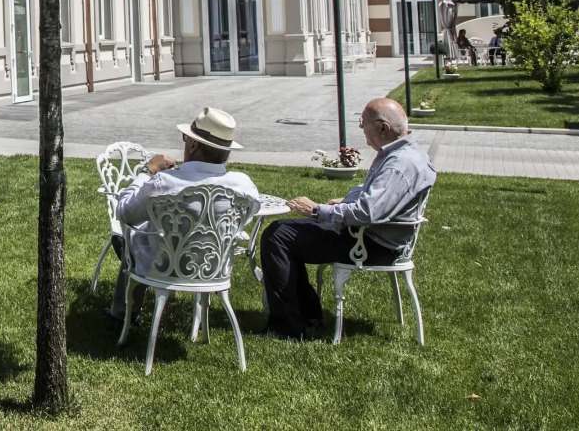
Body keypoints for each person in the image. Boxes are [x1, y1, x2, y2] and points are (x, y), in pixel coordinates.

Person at [259, 97, 436, 340]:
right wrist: (344, 201)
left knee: (278, 236)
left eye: (363, 123)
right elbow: (376, 197)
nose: (361, 128)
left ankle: (287, 328)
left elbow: (367, 212)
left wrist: (316, 210)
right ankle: (307, 313)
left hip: (370, 243)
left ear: (383, 127)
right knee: (283, 231)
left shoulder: (400, 163)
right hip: (376, 236)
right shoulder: (405, 151)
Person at [106, 107, 259, 320]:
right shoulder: (244, 185)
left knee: (126, 236)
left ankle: (123, 314)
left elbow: (125, 212)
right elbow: (246, 218)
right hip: (213, 267)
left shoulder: (165, 183)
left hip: (162, 267)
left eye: (185, 138)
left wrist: (147, 170)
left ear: (194, 144)